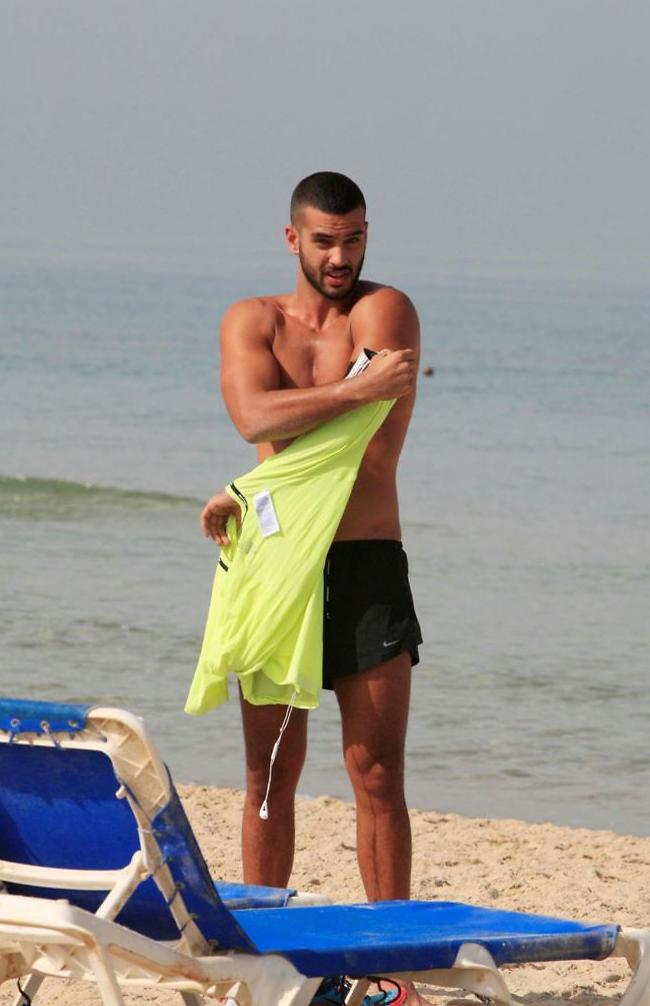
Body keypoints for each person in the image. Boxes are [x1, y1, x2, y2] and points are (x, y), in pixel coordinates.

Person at [200, 171, 421, 905]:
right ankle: (263, 947)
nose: (340, 257)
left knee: (377, 772)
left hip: (365, 559)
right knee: (268, 774)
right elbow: (253, 420)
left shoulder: (383, 309)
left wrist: (252, 484)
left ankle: (393, 952)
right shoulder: (252, 321)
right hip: (276, 560)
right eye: (325, 241)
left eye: (354, 239)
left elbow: (358, 446)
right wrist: (356, 388)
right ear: (292, 238)